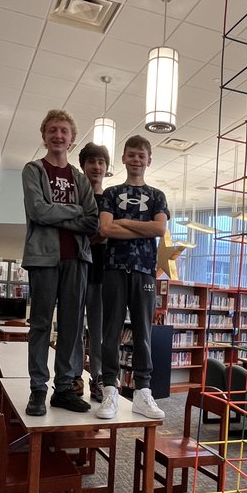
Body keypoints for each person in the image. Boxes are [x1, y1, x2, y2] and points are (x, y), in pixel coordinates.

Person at [21, 109, 98, 416]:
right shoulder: (33, 170)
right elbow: (38, 211)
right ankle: (38, 390)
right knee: (40, 325)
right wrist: (73, 211)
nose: (58, 135)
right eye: (52, 130)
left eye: (64, 131)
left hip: (77, 259)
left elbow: (91, 220)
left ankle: (64, 389)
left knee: (72, 327)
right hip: (43, 259)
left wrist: (56, 211)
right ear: (44, 136)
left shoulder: (79, 178)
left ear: (72, 139)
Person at [97, 135, 168, 422]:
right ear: (124, 158)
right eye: (131, 155)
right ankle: (109, 390)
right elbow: (105, 229)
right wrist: (143, 227)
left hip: (145, 271)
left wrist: (123, 222)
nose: (136, 159)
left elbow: (159, 230)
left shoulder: (157, 195)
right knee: (110, 332)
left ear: (149, 160)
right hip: (114, 268)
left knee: (143, 333)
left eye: (141, 155)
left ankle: (143, 392)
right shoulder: (111, 193)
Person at [78, 141, 109, 403]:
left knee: (98, 332)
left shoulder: (110, 200)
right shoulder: (75, 197)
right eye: (92, 162)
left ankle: (97, 378)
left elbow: (111, 232)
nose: (96, 167)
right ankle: (73, 376)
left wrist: (101, 235)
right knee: (74, 329)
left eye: (101, 162)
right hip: (76, 272)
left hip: (101, 274)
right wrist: (98, 235)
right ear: (83, 166)